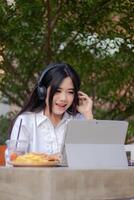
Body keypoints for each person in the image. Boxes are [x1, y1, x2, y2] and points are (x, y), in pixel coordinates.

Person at [8, 63, 93, 155]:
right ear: (42, 91)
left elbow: (92, 157)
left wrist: (88, 115)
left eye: (70, 92)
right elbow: (13, 161)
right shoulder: (25, 121)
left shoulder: (79, 120)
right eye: (57, 91)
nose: (63, 98)